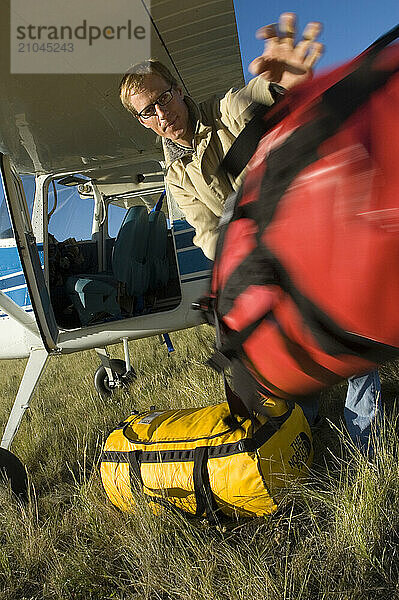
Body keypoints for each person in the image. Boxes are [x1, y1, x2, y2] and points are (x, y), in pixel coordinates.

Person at [119, 12, 382, 455]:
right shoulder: (177, 179)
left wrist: (282, 82)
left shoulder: (227, 112)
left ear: (178, 91)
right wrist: (246, 257)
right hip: (260, 267)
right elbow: (207, 237)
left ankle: (366, 450)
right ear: (143, 123)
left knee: (343, 337)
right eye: (149, 111)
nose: (162, 113)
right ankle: (305, 435)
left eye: (164, 98)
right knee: (286, 351)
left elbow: (257, 95)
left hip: (308, 243)